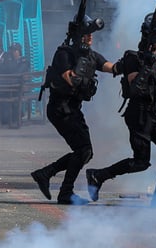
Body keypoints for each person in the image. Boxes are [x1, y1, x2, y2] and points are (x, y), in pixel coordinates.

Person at [85, 11, 156, 209]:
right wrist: (148, 67)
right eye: (155, 40)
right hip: (138, 114)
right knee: (141, 162)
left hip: (155, 112)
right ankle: (97, 176)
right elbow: (135, 86)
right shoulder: (133, 58)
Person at [30, 13, 117, 204]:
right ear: (78, 35)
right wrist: (82, 65)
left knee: (85, 152)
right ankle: (63, 192)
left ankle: (46, 173)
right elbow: (71, 79)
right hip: (60, 109)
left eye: (91, 35)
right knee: (83, 150)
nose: (90, 38)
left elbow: (111, 67)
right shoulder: (64, 54)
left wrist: (131, 63)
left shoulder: (91, 55)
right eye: (86, 34)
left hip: (73, 110)